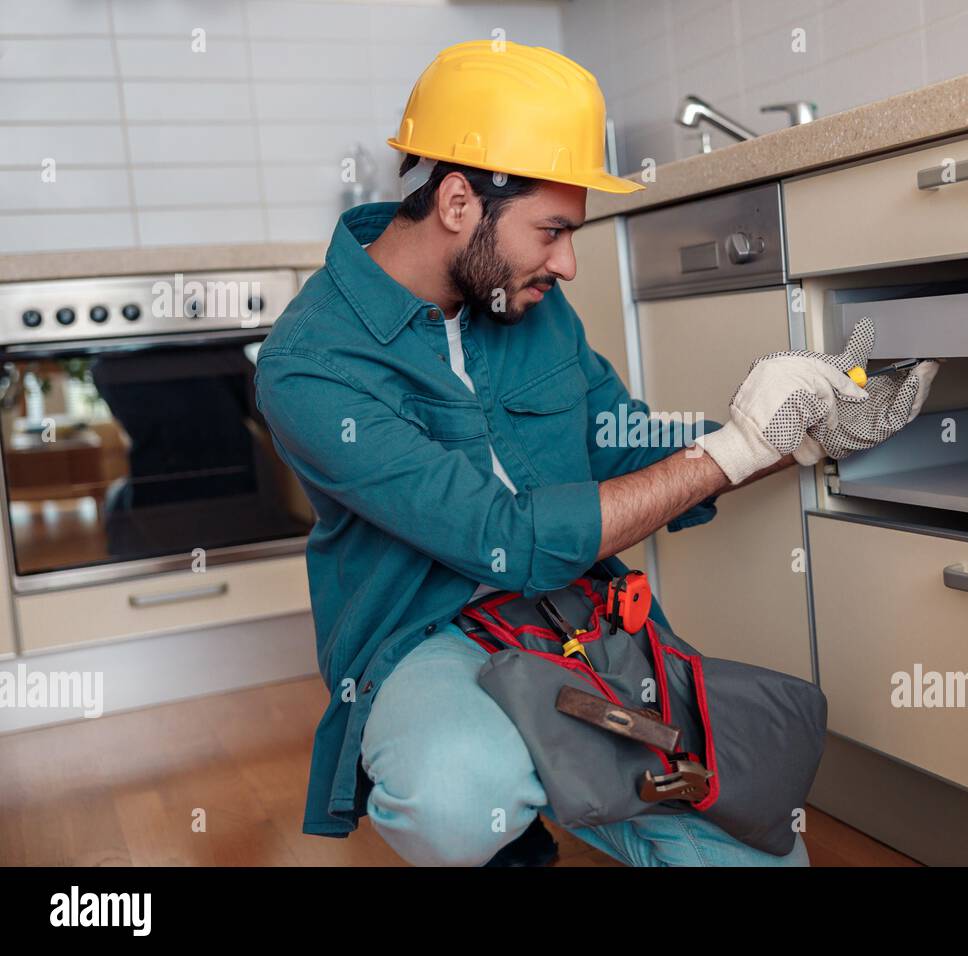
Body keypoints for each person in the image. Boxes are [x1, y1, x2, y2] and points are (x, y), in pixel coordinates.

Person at [254, 40, 855, 867]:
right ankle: (516, 825)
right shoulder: (312, 364)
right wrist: (734, 452)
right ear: (459, 202)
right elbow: (500, 535)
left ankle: (572, 766)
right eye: (553, 230)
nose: (567, 263)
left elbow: (622, 444)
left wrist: (792, 432)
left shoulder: (529, 304)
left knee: (763, 857)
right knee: (459, 795)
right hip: (426, 633)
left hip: (577, 620)